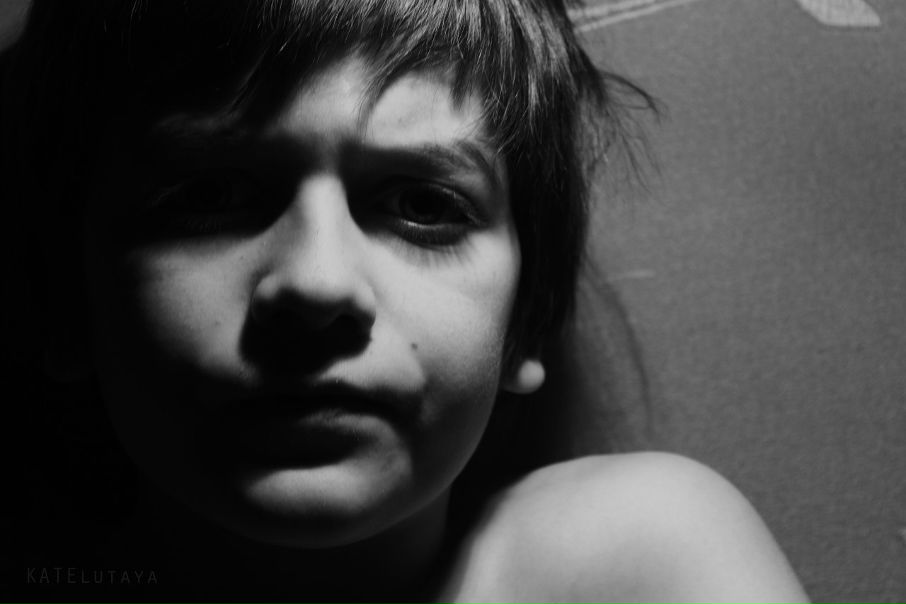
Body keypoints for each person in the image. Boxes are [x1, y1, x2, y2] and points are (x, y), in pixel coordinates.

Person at [1, 0, 810, 601]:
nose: (318, 283)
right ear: (66, 295)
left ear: (526, 318)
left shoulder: (633, 561)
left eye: (423, 206)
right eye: (210, 196)